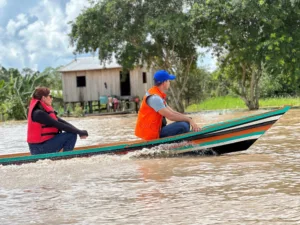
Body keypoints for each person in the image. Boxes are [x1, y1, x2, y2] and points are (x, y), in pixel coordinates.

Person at [135, 70, 200, 140]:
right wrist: (189, 120)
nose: (169, 82)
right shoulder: (155, 98)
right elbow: (170, 116)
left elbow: (173, 112)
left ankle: (180, 142)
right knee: (183, 126)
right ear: (164, 82)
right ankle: (180, 144)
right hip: (151, 134)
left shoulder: (158, 95)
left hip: (156, 130)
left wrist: (189, 119)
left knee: (185, 122)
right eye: (168, 81)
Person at [27, 87, 88, 155]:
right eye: (50, 96)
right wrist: (79, 132)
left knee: (72, 132)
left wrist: (79, 131)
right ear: (44, 98)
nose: (52, 98)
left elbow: (63, 122)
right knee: (71, 135)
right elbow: (59, 125)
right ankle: (66, 157)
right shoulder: (38, 113)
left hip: (42, 146)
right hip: (39, 149)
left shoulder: (44, 112)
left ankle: (64, 156)